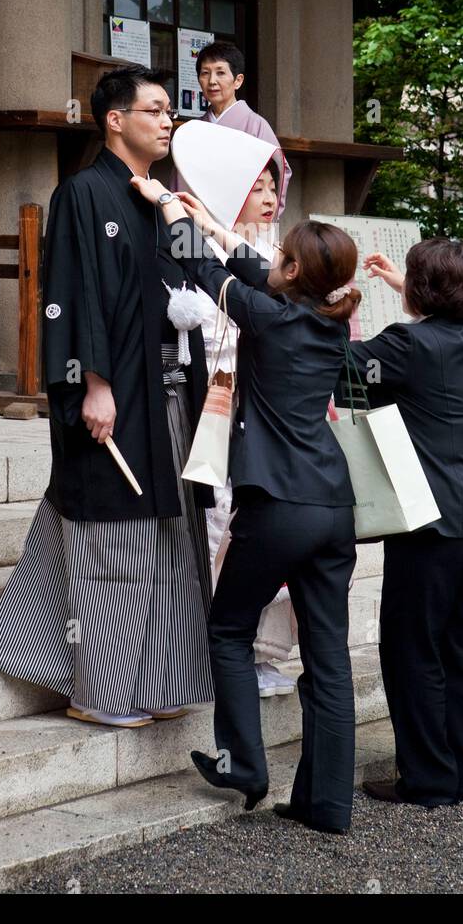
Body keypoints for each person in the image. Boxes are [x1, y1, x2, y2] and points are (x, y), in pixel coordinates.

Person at [0, 65, 215, 729]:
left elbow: (201, 277)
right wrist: (94, 384)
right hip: (114, 391)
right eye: (155, 110)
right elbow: (71, 293)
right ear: (114, 118)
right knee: (116, 539)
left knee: (170, 536)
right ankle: (100, 692)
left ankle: (164, 682)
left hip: (168, 391)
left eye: (171, 111)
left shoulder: (161, 196)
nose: (168, 121)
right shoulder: (82, 193)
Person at [131, 172, 361, 835]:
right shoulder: (327, 320)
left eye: (284, 257)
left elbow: (202, 269)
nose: (275, 263)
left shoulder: (269, 316)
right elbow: (251, 267)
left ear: (296, 271)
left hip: (278, 505)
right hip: (333, 507)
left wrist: (168, 205)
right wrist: (208, 219)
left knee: (229, 629)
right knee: (329, 659)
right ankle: (327, 804)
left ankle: (245, 768)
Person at [343, 238, 463, 807]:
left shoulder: (406, 344)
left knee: (412, 649)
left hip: (435, 523)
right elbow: (443, 326)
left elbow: (343, 367)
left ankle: (428, 781)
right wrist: (405, 285)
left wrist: (331, 305)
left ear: (423, 293)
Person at [192, 153, 298, 698]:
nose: (268, 197)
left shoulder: (283, 257)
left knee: (258, 527)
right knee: (221, 524)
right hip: (220, 405)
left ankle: (266, 654)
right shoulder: (207, 251)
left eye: (271, 187)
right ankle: (223, 650)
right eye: (255, 187)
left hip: (270, 412)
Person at [173, 41, 292, 208]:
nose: (212, 81)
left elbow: (279, 172)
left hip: (242, 223)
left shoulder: (256, 125)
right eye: (205, 73)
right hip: (195, 223)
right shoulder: (193, 130)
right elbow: (181, 178)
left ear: (238, 80)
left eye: (220, 73)